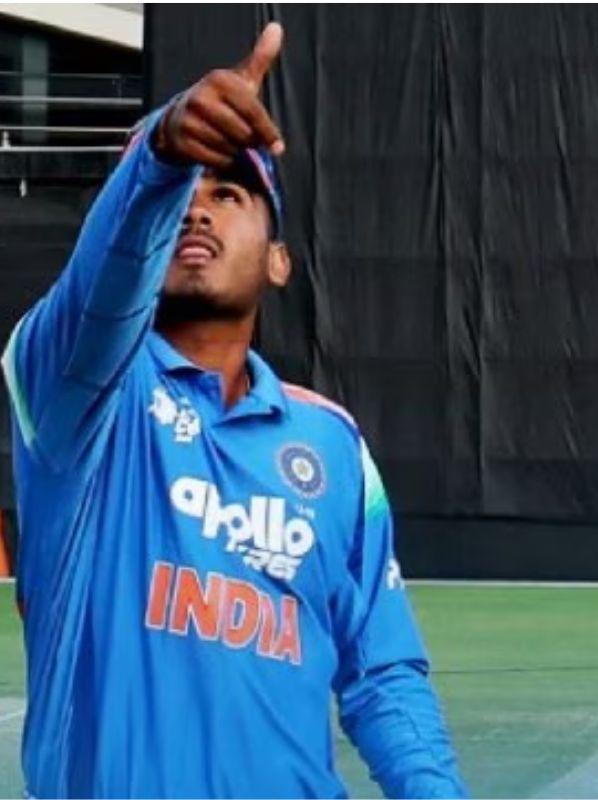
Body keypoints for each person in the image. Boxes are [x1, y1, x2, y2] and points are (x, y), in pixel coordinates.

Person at [3, 23, 465, 799]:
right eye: (184, 193)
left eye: (229, 192)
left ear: (279, 260)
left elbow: (382, 674)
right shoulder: (73, 391)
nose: (197, 210)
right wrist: (161, 152)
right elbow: (105, 288)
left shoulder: (333, 444)